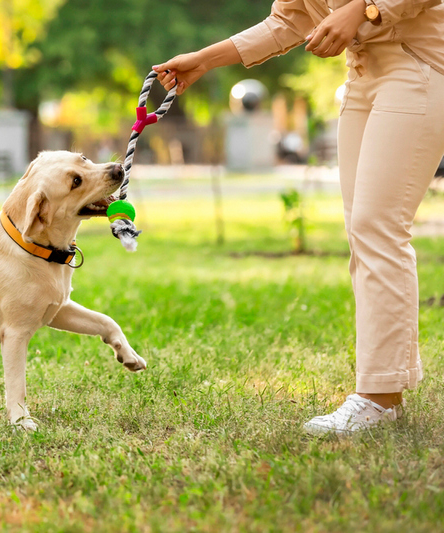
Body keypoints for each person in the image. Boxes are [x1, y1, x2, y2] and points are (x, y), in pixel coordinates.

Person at [153, 0, 444, 436]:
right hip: (362, 75)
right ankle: (386, 391)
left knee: (377, 227)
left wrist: (364, 10)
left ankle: (378, 399)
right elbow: (288, 20)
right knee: (363, 234)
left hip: (418, 66)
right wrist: (204, 60)